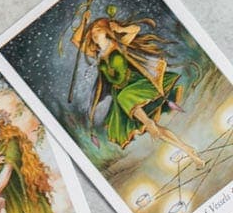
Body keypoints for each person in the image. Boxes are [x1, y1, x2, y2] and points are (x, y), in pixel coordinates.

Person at [72, 14, 203, 169]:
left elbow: (135, 29)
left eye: (99, 29)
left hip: (134, 86)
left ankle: (149, 122)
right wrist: (84, 21)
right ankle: (189, 151)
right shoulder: (97, 55)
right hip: (121, 96)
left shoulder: (118, 45)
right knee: (155, 129)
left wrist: (120, 29)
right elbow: (75, 40)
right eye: (92, 32)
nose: (95, 33)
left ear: (106, 31)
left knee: (132, 104)